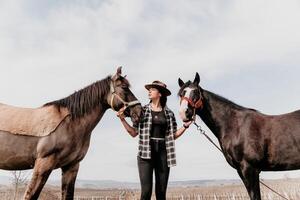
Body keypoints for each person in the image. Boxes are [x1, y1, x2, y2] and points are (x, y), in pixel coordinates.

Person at [117, 80, 192, 200]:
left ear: (160, 94)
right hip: (145, 154)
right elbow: (133, 133)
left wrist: (185, 126)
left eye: (153, 89)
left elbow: (173, 135)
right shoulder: (142, 111)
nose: (149, 91)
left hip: (164, 154)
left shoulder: (169, 114)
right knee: (146, 192)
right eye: (149, 89)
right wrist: (122, 119)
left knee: (161, 193)